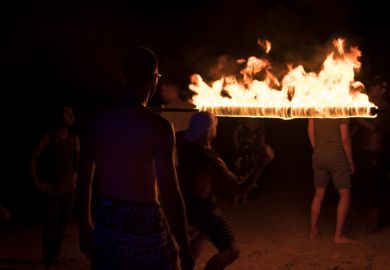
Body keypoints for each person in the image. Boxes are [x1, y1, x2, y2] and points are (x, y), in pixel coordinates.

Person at [77, 47, 193, 270]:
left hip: (108, 221)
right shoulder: (159, 127)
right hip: (145, 227)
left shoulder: (97, 121)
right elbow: (169, 190)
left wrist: (85, 226)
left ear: (123, 75)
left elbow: (83, 178)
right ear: (154, 79)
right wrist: (185, 248)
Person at [176, 112, 269, 269]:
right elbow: (241, 189)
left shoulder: (180, 139)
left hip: (185, 201)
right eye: (215, 124)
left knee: (204, 233)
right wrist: (261, 163)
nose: (217, 124)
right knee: (231, 250)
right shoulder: (211, 161)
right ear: (209, 131)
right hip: (202, 207)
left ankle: (186, 265)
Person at [30, 105, 80, 269]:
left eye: (71, 114)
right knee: (50, 225)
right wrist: (38, 182)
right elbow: (33, 159)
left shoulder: (74, 139)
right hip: (53, 190)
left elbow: (79, 162)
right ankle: (48, 258)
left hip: (68, 190)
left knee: (63, 225)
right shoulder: (49, 137)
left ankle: (55, 256)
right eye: (67, 114)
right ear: (59, 116)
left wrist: (75, 177)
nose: (70, 117)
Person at [307, 118, 355, 244]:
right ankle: (338, 236)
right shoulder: (341, 108)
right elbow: (345, 138)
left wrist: (317, 149)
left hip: (318, 155)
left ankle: (313, 231)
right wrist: (350, 161)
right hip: (337, 156)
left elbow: (310, 131)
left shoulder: (315, 106)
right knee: (345, 195)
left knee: (318, 194)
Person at [354, 76, 388, 231]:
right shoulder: (370, 105)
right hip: (365, 152)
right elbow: (358, 128)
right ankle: (370, 218)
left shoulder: (384, 107)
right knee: (366, 185)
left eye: (375, 87)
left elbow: (374, 127)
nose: (371, 90)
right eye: (371, 87)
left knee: (374, 187)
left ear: (383, 91)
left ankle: (374, 223)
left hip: (375, 153)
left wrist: (356, 116)